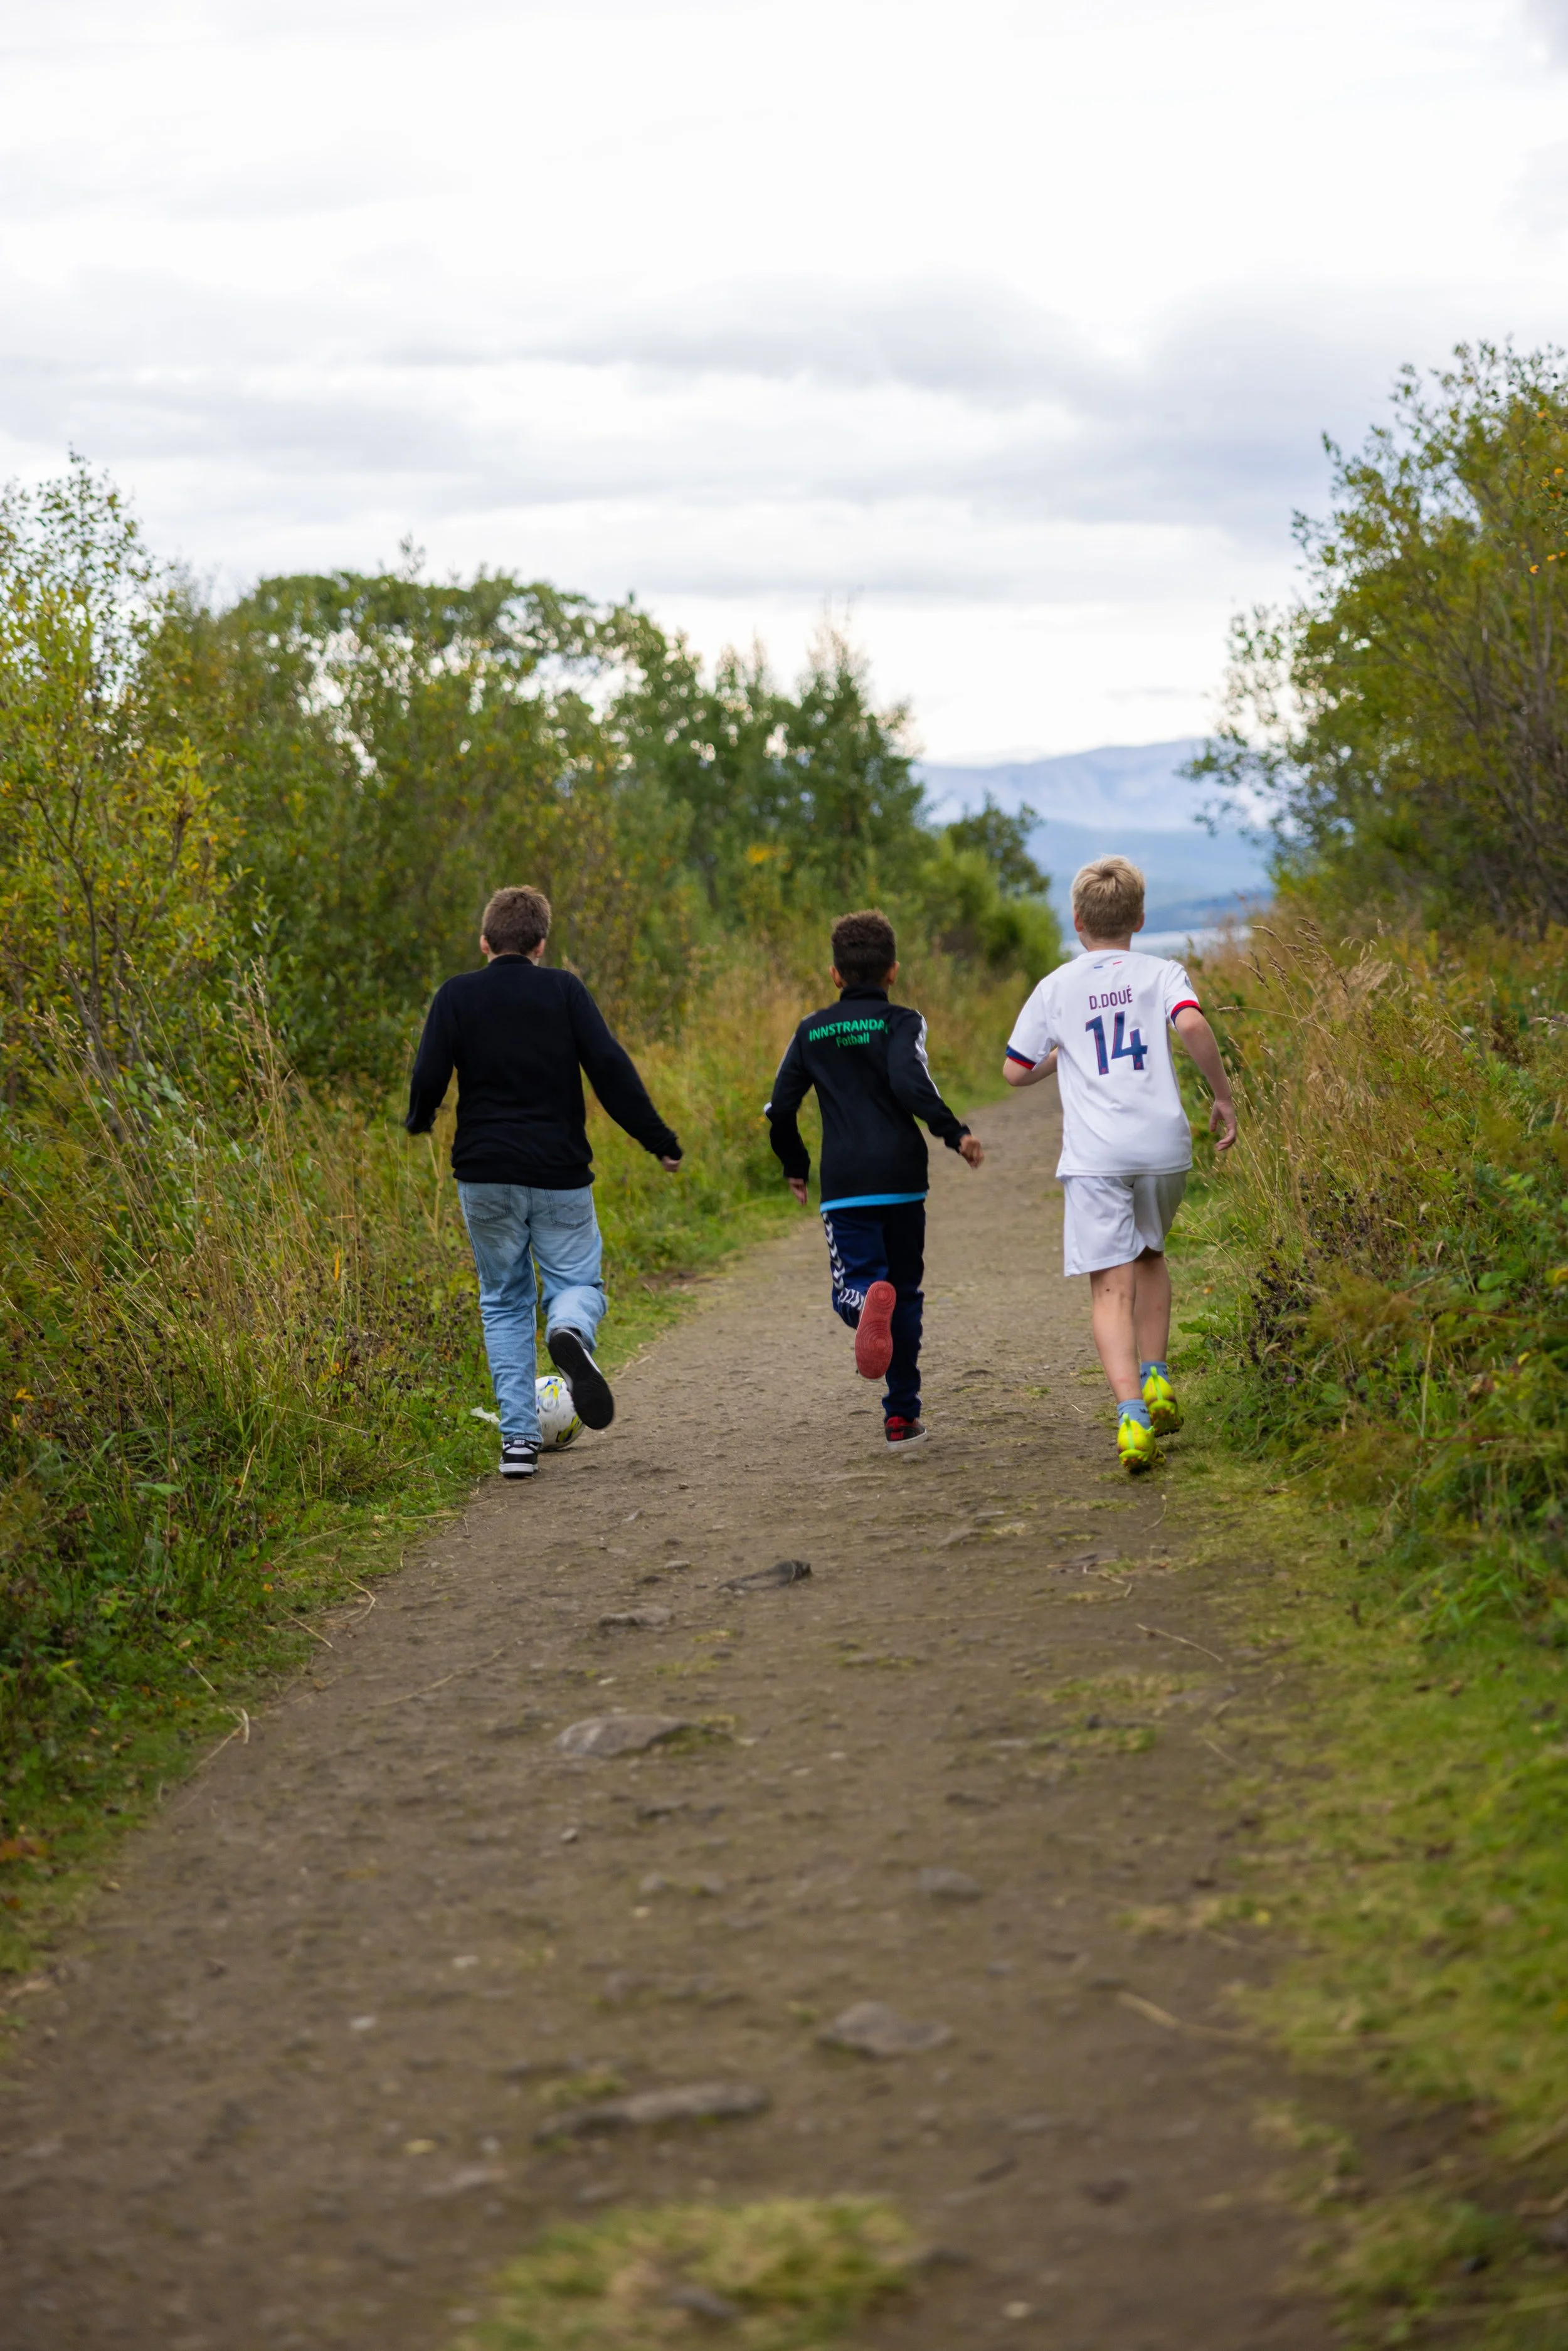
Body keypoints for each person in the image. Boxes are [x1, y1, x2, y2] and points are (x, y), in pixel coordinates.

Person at [405, 885, 682, 1480]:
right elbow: (610, 1069)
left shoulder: (456, 996)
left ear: (485, 942)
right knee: (577, 1281)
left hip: (483, 1174)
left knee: (504, 1301)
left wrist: (420, 1118)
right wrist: (659, 1140)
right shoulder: (564, 990)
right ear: (541, 943)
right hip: (558, 1174)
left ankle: (518, 1445)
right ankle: (570, 1329)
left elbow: (429, 1072)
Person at [1002, 856, 1236, 1473]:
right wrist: (1221, 1094)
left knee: (1110, 1285)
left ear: (1077, 921)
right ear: (1137, 917)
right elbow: (1190, 1022)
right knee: (1151, 1254)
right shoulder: (1162, 972)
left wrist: (1063, 1054)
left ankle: (1132, 1417)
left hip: (1097, 1157)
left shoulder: (1055, 986)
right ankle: (1158, 1376)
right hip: (1161, 1147)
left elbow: (1014, 1070)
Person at [766, 908, 984, 1453]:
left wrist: (794, 1163)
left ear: (835, 974)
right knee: (905, 1295)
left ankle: (864, 1304)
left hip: (847, 1185)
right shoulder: (902, 1021)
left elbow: (781, 1108)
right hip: (904, 1179)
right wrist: (953, 1133)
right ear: (893, 971)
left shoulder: (811, 1030)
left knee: (857, 1287)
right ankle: (901, 1418)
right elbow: (910, 1081)